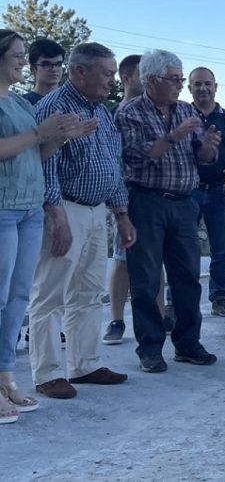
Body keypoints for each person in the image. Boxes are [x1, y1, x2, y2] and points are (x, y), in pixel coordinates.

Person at [29, 42, 135, 400]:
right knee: (50, 293)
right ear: (80, 72)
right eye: (106, 73)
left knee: (88, 293)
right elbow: (46, 167)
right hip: (64, 210)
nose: (111, 81)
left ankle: (84, 364)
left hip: (96, 211)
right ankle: (47, 373)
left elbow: (113, 165)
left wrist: (121, 214)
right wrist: (56, 215)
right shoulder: (54, 107)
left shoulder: (102, 112)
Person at [115, 50, 220, 373]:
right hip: (146, 202)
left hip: (184, 203)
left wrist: (208, 149)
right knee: (145, 281)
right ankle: (150, 349)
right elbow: (137, 158)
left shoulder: (186, 110)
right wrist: (174, 135)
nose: (179, 85)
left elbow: (201, 157)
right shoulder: (130, 112)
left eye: (180, 79)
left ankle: (188, 344)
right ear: (151, 80)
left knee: (188, 277)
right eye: (174, 79)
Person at [0, 30, 86, 420]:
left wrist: (61, 138)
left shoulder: (18, 102)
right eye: (17, 55)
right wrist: (39, 132)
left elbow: (36, 154)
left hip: (29, 210)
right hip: (2, 209)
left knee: (18, 299)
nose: (22, 61)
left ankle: (6, 379)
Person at [104, 54, 162, 345]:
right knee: (123, 258)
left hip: (155, 197)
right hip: (124, 197)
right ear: (126, 78)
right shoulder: (113, 114)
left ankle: (160, 315)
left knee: (156, 260)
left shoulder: (157, 111)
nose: (151, 79)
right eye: (144, 74)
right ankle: (116, 320)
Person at [188, 67, 225, 318]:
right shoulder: (182, 116)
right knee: (183, 249)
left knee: (221, 251)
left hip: (220, 191)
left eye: (207, 84)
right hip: (189, 193)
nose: (203, 88)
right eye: (197, 84)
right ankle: (179, 301)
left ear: (216, 87)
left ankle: (219, 299)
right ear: (189, 88)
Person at [23, 38, 65, 106]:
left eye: (58, 64)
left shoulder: (74, 101)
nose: (54, 69)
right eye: (46, 64)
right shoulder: (21, 104)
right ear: (33, 68)